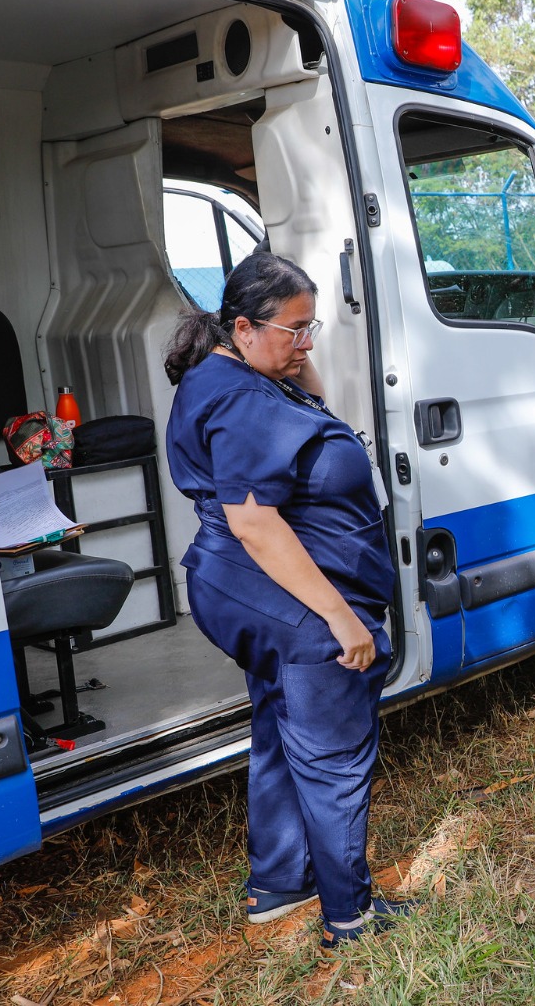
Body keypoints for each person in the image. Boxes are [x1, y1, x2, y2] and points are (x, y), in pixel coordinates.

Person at [164, 252, 411, 948]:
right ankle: (350, 917)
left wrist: (298, 365)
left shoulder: (236, 374)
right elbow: (252, 518)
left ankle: (279, 883)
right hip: (283, 600)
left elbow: (308, 431)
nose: (306, 343)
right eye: (295, 331)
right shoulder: (242, 396)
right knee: (334, 756)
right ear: (242, 326)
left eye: (312, 328)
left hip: (245, 589)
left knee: (280, 732)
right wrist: (340, 617)